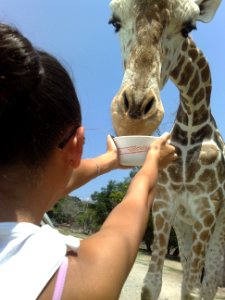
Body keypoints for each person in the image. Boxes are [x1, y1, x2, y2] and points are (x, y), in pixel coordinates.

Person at [0, 23, 176, 300]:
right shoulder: (71, 280)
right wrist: (152, 161)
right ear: (76, 144)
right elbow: (134, 208)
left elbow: (41, 184)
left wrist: (108, 161)